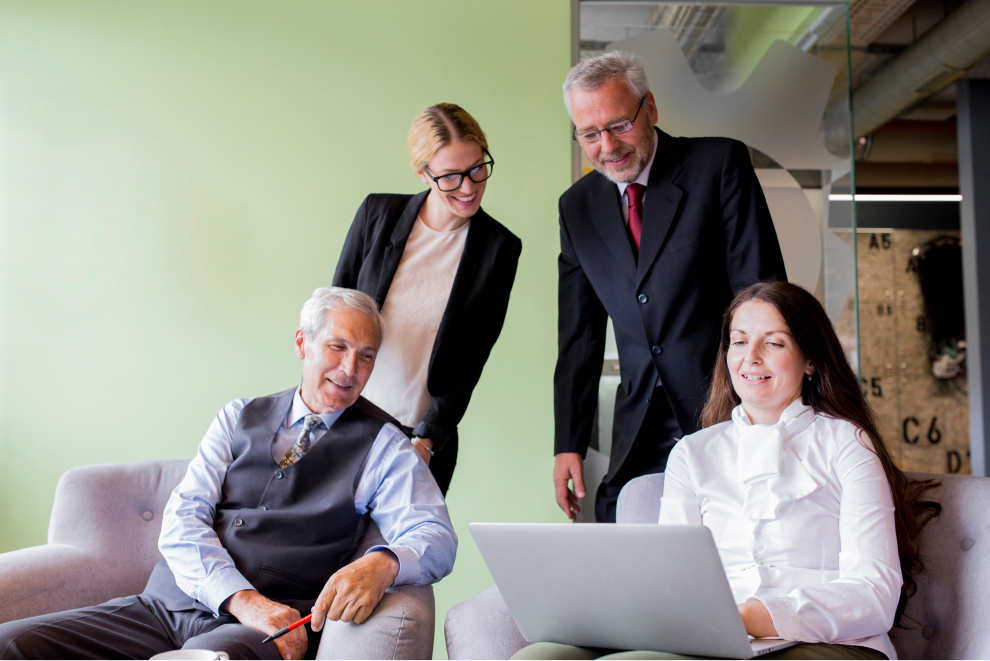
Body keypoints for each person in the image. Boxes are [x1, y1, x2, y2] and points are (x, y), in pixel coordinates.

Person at [0, 287, 457, 661]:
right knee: (13, 644)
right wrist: (242, 599)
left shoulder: (385, 444)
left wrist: (385, 561)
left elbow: (435, 535)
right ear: (302, 343)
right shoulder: (237, 416)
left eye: (366, 356)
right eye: (337, 347)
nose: (350, 370)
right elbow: (182, 522)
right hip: (164, 606)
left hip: (262, 633)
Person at [517, 281, 939, 660]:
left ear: (810, 359)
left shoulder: (848, 443)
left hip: (830, 641)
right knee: (540, 658)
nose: (750, 358)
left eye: (774, 343)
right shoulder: (692, 453)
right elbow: (670, 579)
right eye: (738, 342)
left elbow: (875, 594)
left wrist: (752, 616)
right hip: (711, 638)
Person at [553, 51, 788, 523]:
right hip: (639, 420)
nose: (607, 146)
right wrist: (567, 444)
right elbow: (579, 337)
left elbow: (762, 297)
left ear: (651, 109)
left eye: (619, 125)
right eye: (590, 134)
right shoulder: (576, 207)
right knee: (620, 531)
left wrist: (768, 409)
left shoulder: (717, 164)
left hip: (726, 401)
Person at [333, 102, 522, 496]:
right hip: (347, 421)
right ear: (423, 173)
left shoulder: (498, 249)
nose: (469, 187)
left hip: (420, 439)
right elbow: (335, 318)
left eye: (477, 169)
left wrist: (426, 441)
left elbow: (472, 359)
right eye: (451, 176)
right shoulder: (377, 214)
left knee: (402, 556)